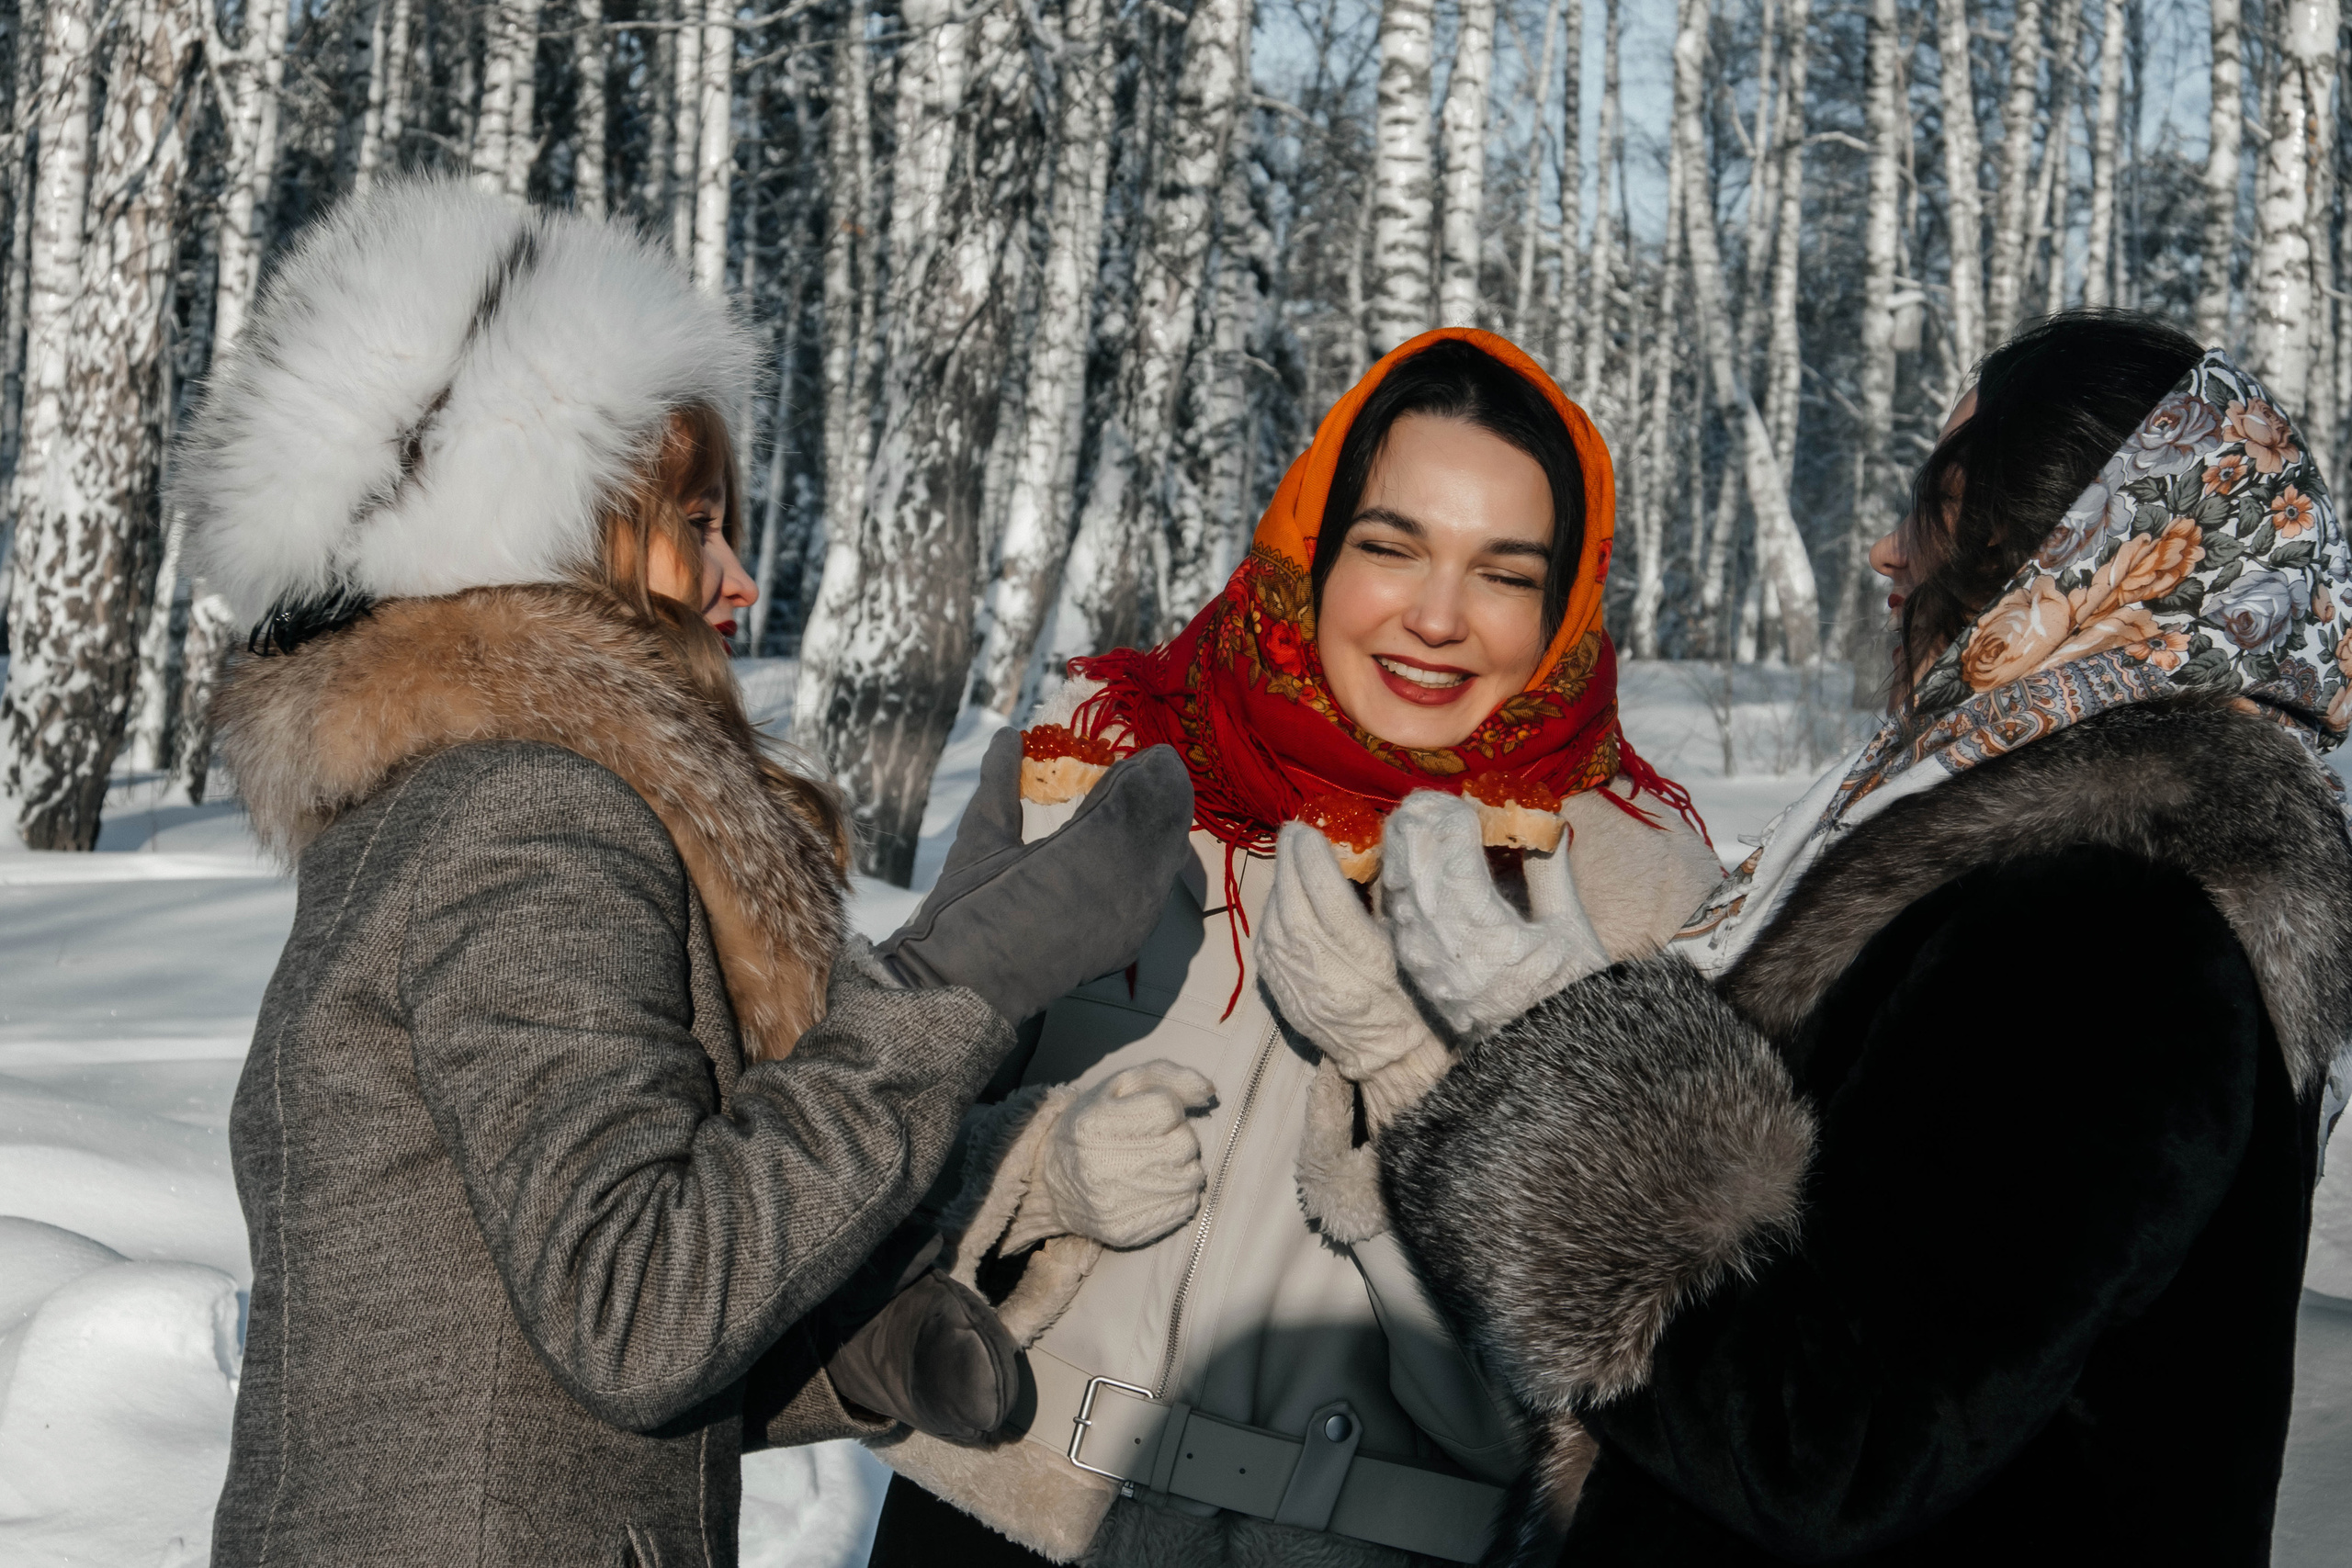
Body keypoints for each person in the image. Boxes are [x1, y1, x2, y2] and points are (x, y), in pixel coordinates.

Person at [176, 177, 1192, 1567]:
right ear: (547, 531)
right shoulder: (529, 819)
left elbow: (490, 1346)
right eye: (696, 522)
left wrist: (855, 1363)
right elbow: (633, 1315)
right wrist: (959, 983)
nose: (738, 582)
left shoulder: (437, 810)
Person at [1369, 310, 2352, 1564]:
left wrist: (1561, 1091)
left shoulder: (2107, 927)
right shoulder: (2028, 869)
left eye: (1945, 503)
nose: (1889, 554)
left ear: (2066, 551)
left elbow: (1831, 1443)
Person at [864, 330, 1724, 1567]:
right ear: (1312, 544)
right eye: (1392, 545)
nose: (1437, 616)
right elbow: (856, 1150)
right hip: (983, 1514)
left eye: (1504, 572)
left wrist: (1404, 1076)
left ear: (1565, 606)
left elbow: (1607, 1396)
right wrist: (1037, 1177)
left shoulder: (1626, 904)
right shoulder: (1094, 780)